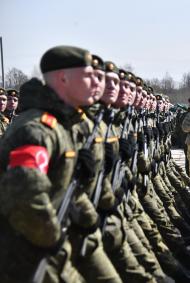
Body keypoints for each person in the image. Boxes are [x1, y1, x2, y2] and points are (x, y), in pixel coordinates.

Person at [0, 45, 99, 282]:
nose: (96, 82)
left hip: (44, 245)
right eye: (87, 75)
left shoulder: (61, 123)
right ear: (63, 78)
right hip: (27, 255)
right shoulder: (37, 130)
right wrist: (55, 238)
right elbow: (27, 201)